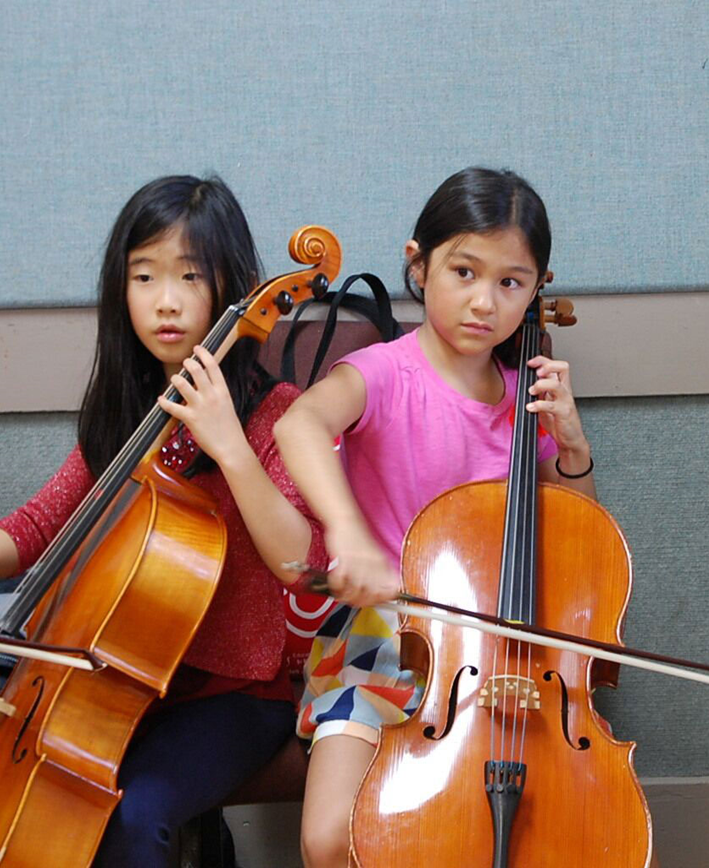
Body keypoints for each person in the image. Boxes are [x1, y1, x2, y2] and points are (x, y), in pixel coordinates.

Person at [0, 174, 325, 867]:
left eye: (190, 275)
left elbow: (301, 559)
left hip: (233, 695)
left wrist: (229, 446)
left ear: (234, 286)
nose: (166, 301)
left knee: (133, 813)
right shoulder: (134, 412)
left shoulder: (277, 414)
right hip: (108, 682)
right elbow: (41, 523)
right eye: (144, 276)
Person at [274, 166, 596, 868]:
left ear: (535, 291)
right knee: (331, 839)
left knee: (502, 838)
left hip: (501, 657)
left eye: (511, 283)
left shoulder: (526, 402)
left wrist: (571, 447)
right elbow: (299, 425)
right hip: (377, 640)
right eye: (464, 271)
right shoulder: (383, 373)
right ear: (418, 267)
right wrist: (352, 538)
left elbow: (578, 545)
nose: (484, 301)